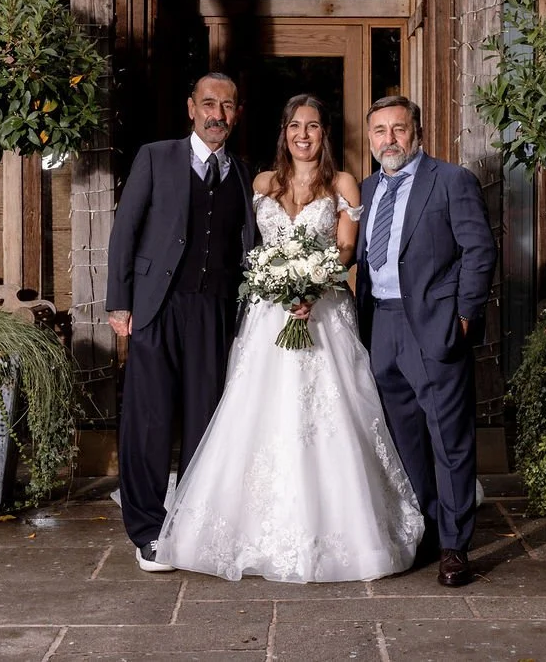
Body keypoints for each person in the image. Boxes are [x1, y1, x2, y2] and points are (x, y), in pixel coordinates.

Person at [156, 94, 424, 583]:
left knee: (331, 414)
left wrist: (312, 286)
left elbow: (346, 249)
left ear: (325, 134)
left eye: (315, 126)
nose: (304, 135)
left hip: (324, 314)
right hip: (267, 316)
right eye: (296, 125)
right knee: (258, 412)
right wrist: (278, 286)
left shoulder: (343, 183)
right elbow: (248, 247)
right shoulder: (260, 183)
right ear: (284, 131)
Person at [106, 72, 256, 573]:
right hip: (156, 306)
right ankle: (147, 530)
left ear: (237, 113)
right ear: (191, 107)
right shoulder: (156, 156)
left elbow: (247, 248)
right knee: (148, 421)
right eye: (209, 103)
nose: (218, 114)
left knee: (204, 421)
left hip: (213, 311)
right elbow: (125, 230)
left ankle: (190, 524)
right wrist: (119, 302)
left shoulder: (241, 172)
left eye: (228, 106)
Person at [355, 95, 498, 588]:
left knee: (449, 441)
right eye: (379, 131)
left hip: (434, 326)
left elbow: (479, 249)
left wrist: (463, 316)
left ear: (416, 133)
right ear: (369, 137)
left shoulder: (450, 180)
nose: (388, 139)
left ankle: (456, 547)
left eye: (398, 129)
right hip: (382, 327)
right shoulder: (368, 188)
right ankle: (428, 529)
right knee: (405, 442)